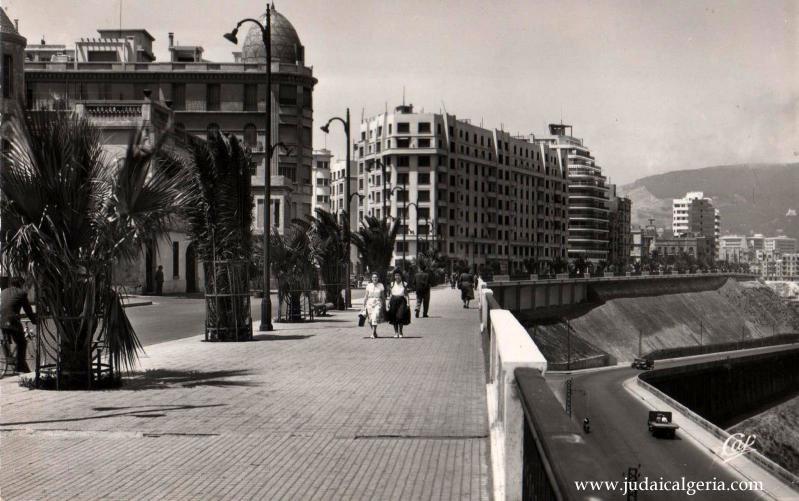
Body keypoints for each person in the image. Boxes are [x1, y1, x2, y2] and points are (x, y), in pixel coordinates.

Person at [1, 277, 38, 373]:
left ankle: (9, 358)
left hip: (1, 320)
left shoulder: (3, 291)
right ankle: (20, 366)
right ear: (21, 284)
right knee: (22, 342)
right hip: (12, 320)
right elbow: (28, 310)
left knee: (6, 339)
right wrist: (34, 321)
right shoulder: (21, 293)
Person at [386, 269, 411, 338]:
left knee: (400, 316)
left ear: (401, 276)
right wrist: (388, 303)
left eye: (398, 275)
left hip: (402, 301)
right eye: (396, 275)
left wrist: (408, 303)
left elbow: (406, 295)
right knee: (394, 317)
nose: (397, 277)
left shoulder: (404, 284)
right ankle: (396, 332)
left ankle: (401, 332)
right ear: (394, 276)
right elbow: (390, 295)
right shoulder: (392, 284)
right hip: (393, 301)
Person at [362, 272, 385, 339]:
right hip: (369, 303)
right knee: (370, 319)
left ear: (378, 278)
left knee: (375, 316)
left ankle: (372, 333)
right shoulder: (369, 285)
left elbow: (383, 296)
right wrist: (364, 304)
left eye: (376, 277)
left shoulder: (381, 285)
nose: (375, 278)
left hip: (378, 302)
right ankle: (374, 332)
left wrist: (384, 305)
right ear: (371, 278)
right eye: (373, 277)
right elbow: (366, 296)